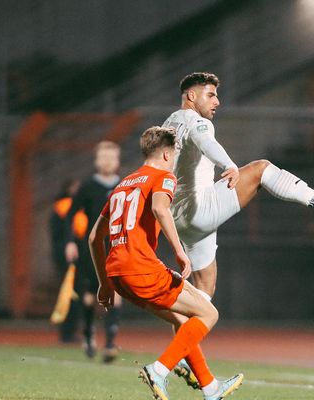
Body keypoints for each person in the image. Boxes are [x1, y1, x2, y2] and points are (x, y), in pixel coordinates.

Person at [162, 71, 314, 386]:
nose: (217, 101)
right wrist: (228, 164)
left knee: (201, 296)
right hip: (199, 208)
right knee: (260, 169)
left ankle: (182, 360)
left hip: (180, 217)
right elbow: (206, 140)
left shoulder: (169, 122)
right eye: (210, 94)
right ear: (191, 96)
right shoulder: (193, 120)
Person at [88, 126, 244, 400]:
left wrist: (104, 284)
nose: (174, 161)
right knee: (208, 314)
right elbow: (161, 209)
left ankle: (210, 388)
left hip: (118, 276)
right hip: (142, 268)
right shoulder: (163, 176)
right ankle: (159, 370)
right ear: (166, 153)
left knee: (183, 321)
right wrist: (179, 251)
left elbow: (93, 238)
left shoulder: (121, 185)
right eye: (174, 156)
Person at [64, 140, 123, 362]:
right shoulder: (88, 186)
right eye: (104, 157)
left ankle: (110, 344)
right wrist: (70, 241)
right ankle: (89, 335)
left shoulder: (126, 184)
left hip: (117, 246)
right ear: (97, 160)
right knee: (90, 296)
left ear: (117, 160)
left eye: (112, 157)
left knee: (115, 292)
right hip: (92, 246)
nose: (108, 161)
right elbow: (71, 214)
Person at [49, 178, 82, 343]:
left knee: (71, 292)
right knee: (71, 293)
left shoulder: (61, 206)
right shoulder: (66, 206)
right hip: (68, 257)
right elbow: (79, 231)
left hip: (62, 255)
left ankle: (68, 331)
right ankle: (67, 332)